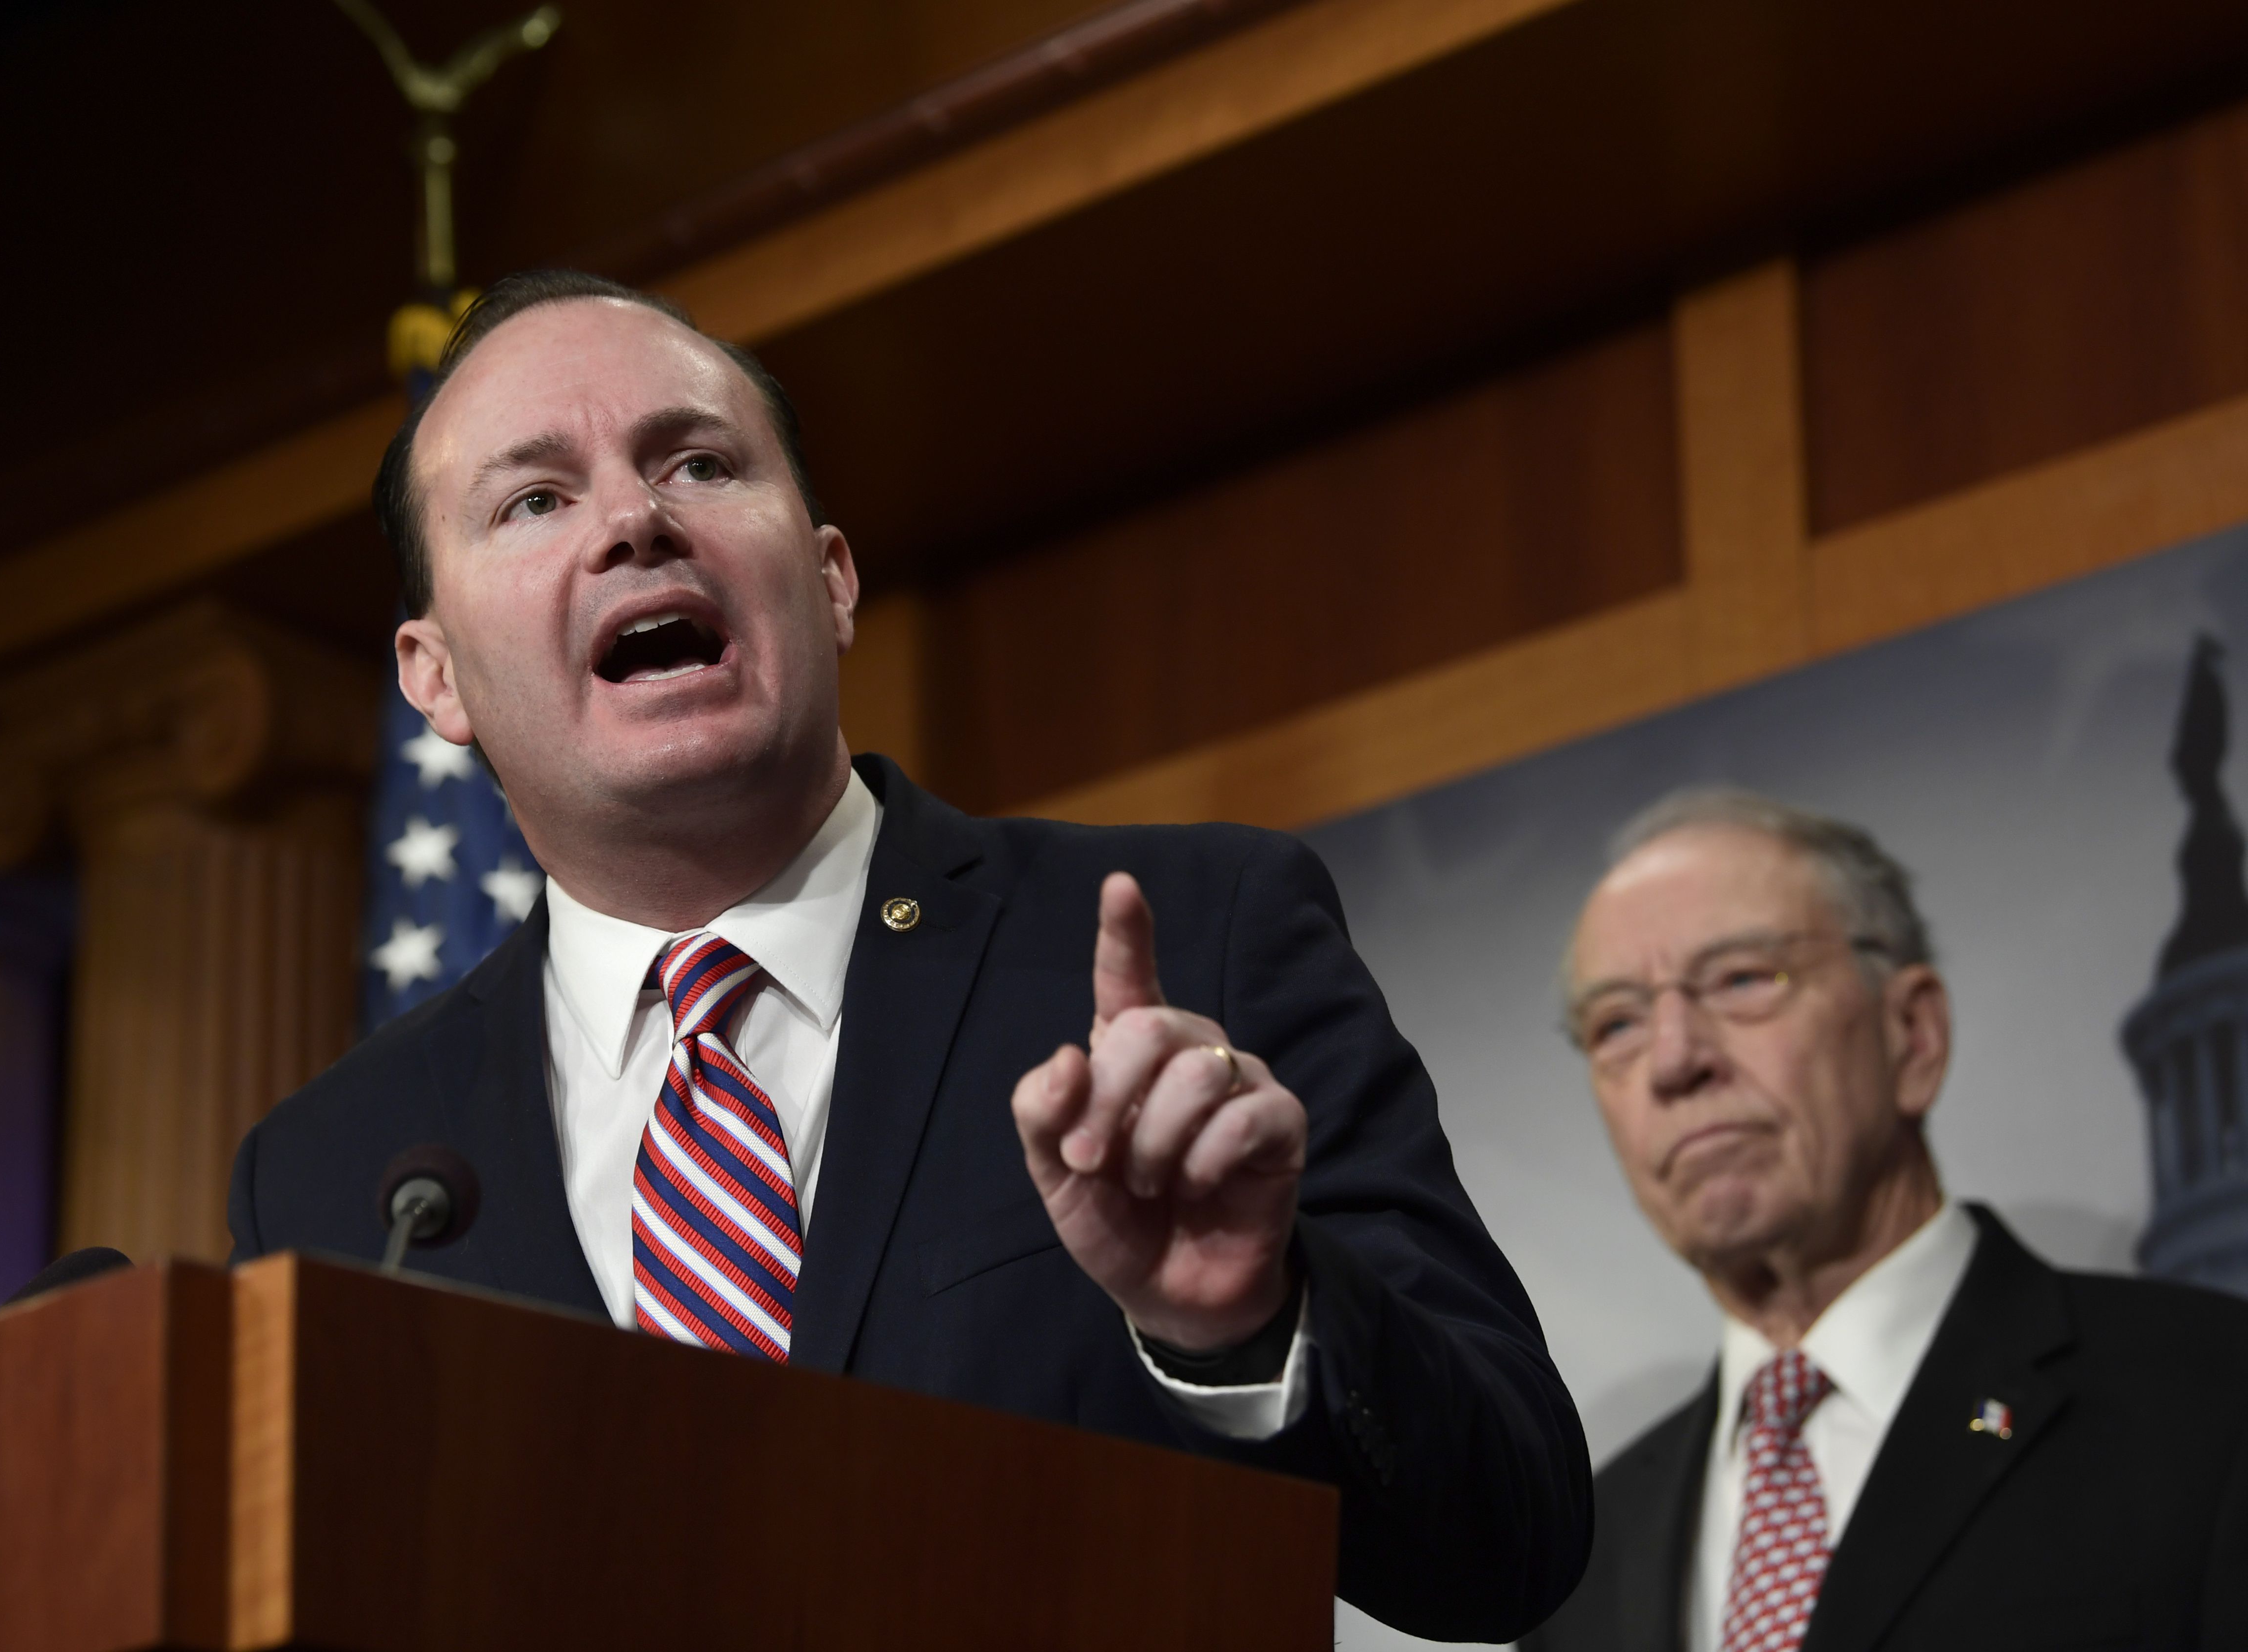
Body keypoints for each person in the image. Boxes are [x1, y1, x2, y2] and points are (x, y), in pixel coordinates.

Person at [226, 269, 1590, 1639]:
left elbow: (1514, 1535)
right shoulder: (338, 1177)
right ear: (435, 677)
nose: (635, 521)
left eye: (698, 462)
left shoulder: (1193, 933)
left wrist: (1247, 1324)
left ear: (829, 580)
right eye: (535, 500)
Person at [1527, 789, 2248, 1652]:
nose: (1675, 1061)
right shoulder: (1574, 1557)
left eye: (1743, 980)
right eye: (1617, 1023)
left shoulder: (2211, 1398)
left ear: (1913, 1035)